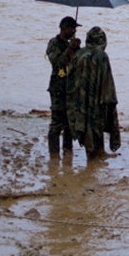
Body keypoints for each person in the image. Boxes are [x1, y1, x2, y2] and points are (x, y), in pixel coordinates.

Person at [67, 26, 119, 164]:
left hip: (80, 99)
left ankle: (97, 153)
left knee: (85, 124)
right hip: (96, 99)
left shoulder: (79, 53)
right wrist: (110, 100)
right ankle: (93, 158)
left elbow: (70, 77)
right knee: (95, 124)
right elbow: (107, 80)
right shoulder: (101, 56)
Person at [45, 15, 81, 157]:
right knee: (56, 123)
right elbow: (57, 62)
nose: (74, 32)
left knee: (69, 123)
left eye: (74, 29)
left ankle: (68, 152)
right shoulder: (54, 43)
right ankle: (53, 155)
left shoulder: (69, 44)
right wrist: (69, 49)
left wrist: (77, 49)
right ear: (64, 28)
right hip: (58, 88)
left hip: (71, 88)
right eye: (72, 29)